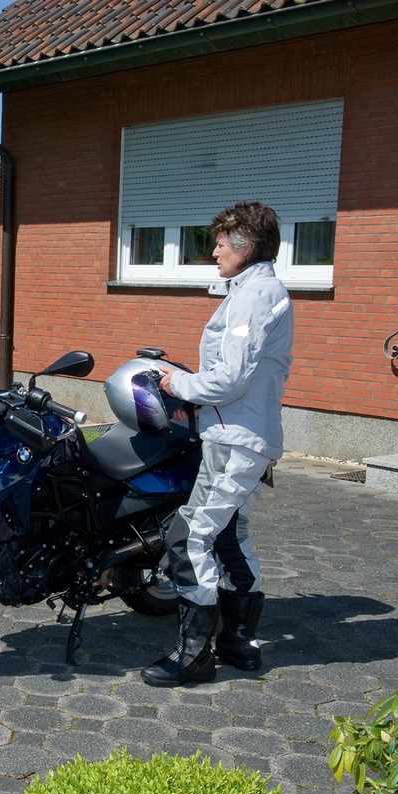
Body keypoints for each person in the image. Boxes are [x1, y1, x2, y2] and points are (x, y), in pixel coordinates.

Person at [140, 200, 294, 687]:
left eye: (222, 242)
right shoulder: (258, 289)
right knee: (231, 535)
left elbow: (229, 378)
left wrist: (177, 385)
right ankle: (238, 643)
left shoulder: (253, 296)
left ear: (245, 246)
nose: (214, 251)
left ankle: (194, 654)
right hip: (247, 435)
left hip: (236, 439)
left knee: (189, 538)